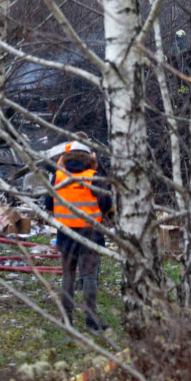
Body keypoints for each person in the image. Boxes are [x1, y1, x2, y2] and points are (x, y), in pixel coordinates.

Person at [45, 141, 112, 331]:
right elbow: (106, 205)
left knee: (68, 275)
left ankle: (67, 321)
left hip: (65, 234)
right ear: (89, 157)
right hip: (89, 234)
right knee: (89, 276)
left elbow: (48, 203)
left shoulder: (58, 176)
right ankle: (91, 322)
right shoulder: (95, 177)